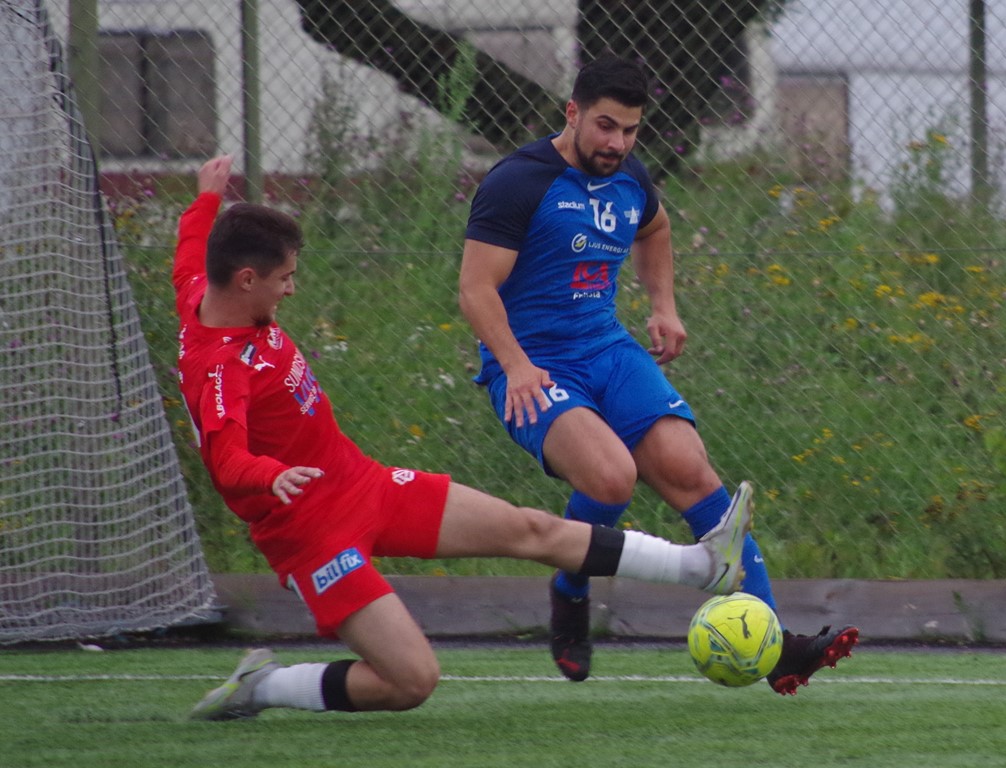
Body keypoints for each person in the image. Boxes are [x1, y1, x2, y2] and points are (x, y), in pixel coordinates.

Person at [176, 155, 753, 720]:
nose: (291, 291)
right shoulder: (220, 369)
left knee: (531, 528)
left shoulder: (206, 288)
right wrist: (272, 474)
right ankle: (266, 686)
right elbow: (226, 461)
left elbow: (188, 251)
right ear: (247, 279)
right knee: (411, 681)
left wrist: (206, 197)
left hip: (361, 481)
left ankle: (703, 568)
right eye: (285, 279)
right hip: (308, 532)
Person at [459, 54, 858, 695]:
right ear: (573, 113)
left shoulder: (630, 177)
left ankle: (777, 644)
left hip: (608, 351)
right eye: (605, 127)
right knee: (611, 478)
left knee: (692, 472)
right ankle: (569, 586)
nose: (616, 143)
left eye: (630, 131)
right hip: (533, 363)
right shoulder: (518, 181)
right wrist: (516, 366)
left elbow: (658, 227)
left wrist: (663, 305)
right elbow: (476, 290)